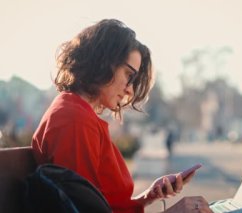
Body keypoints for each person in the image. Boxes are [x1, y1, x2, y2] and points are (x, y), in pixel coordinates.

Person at [31, 19, 212, 213]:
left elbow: (102, 205)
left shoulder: (76, 113)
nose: (130, 91)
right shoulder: (75, 120)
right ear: (102, 62)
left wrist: (149, 196)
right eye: (129, 75)